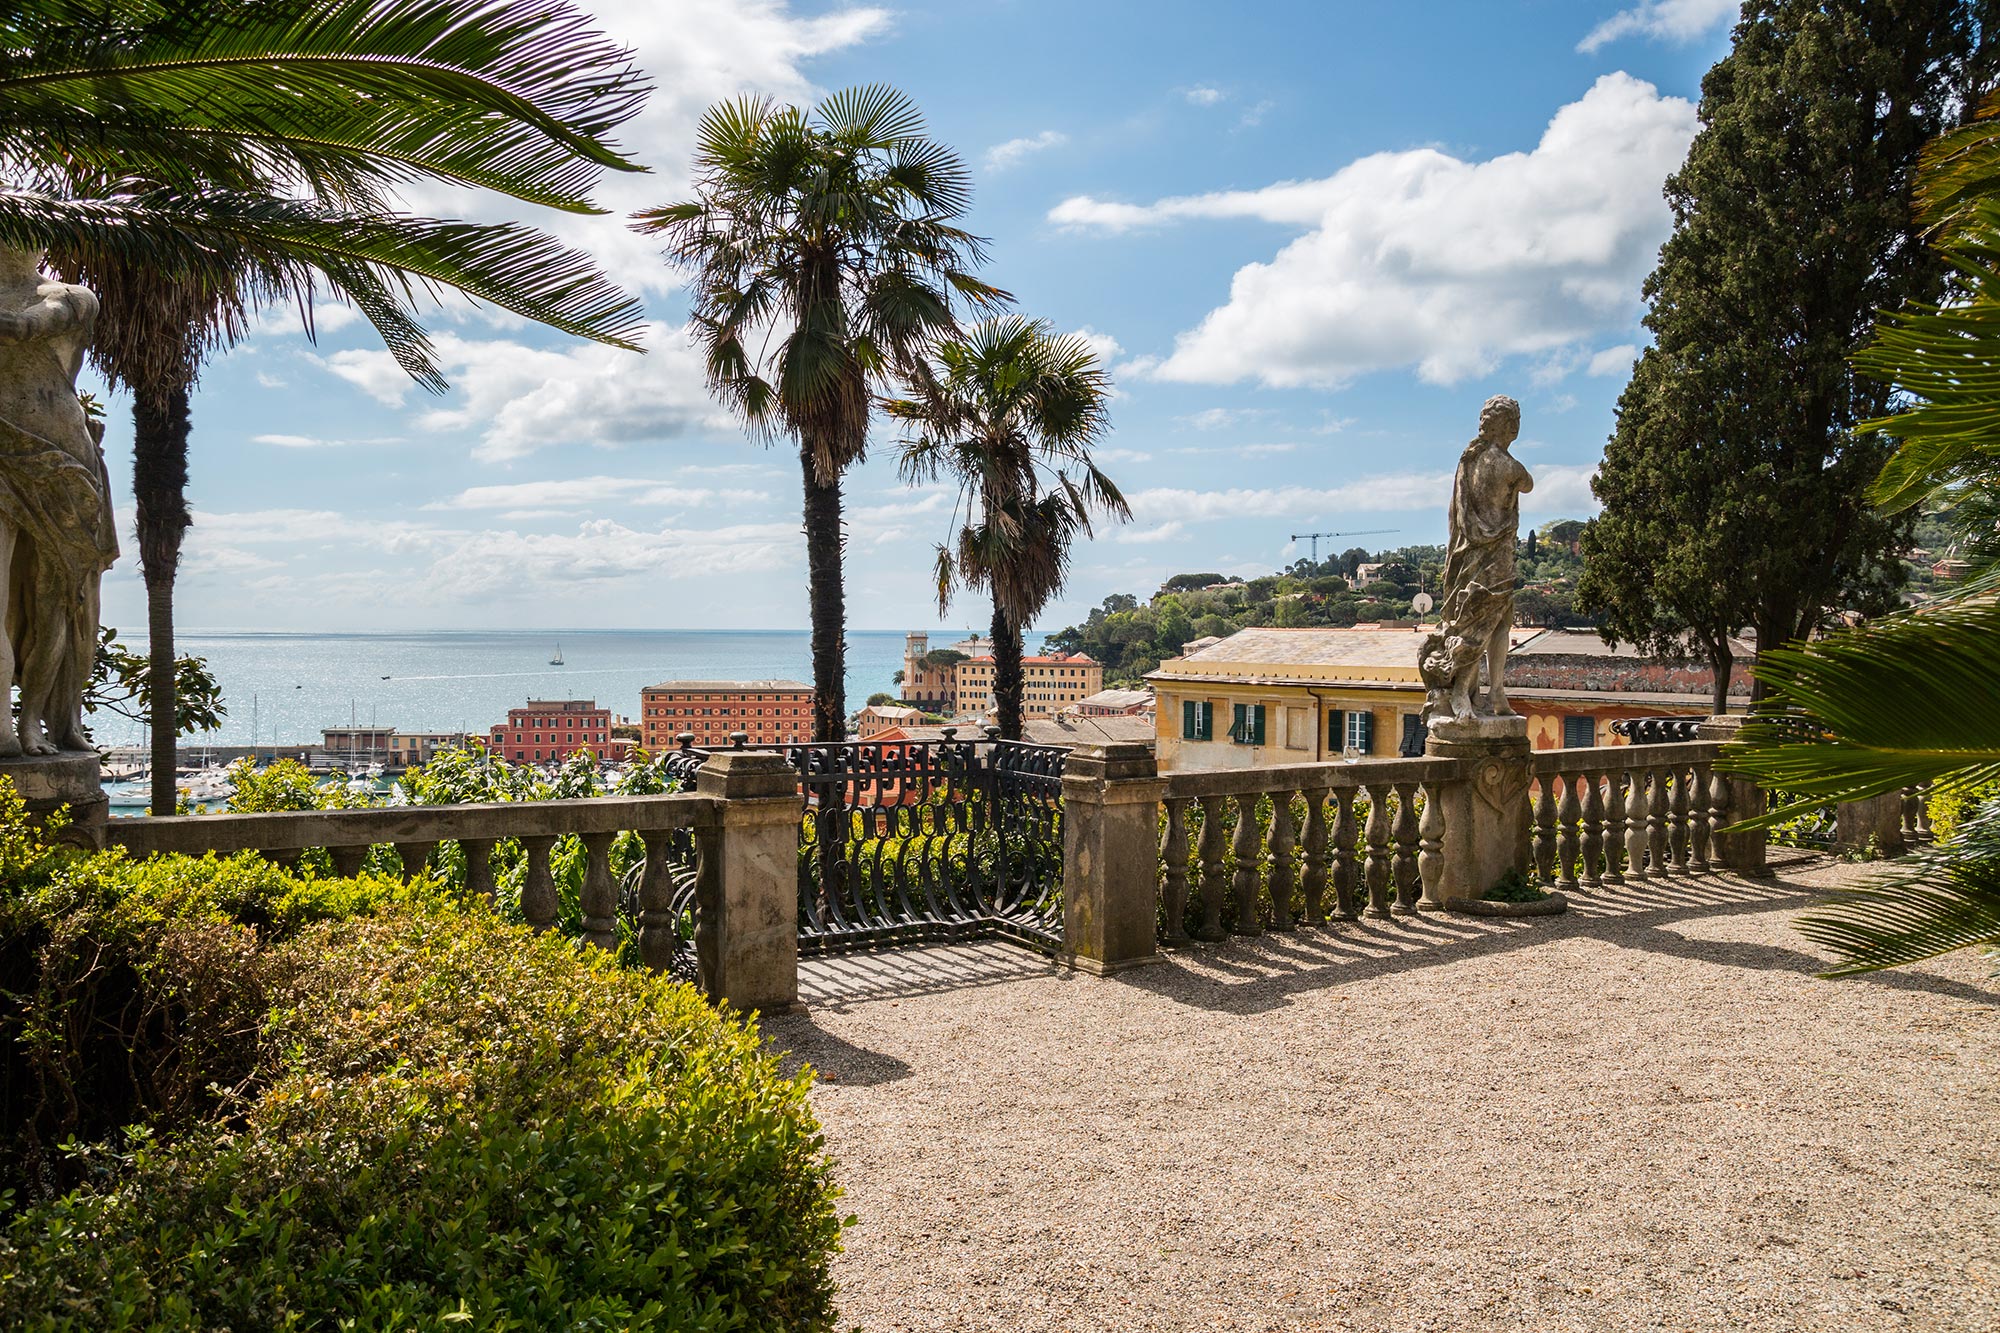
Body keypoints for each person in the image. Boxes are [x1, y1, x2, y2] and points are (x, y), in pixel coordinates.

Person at [0, 246, 119, 755]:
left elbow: (25, 327)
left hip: (62, 459)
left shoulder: (70, 296)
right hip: (3, 450)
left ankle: (39, 722)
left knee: (57, 603)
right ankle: (6, 730)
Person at [1421, 394, 1533, 727]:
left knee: (1485, 621)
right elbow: (1527, 484)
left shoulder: (1470, 460)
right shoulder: (1506, 465)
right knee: (1486, 623)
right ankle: (1474, 691)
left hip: (1469, 553)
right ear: (1505, 425)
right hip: (1495, 555)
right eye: (1513, 421)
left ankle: (1488, 692)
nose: (1517, 427)